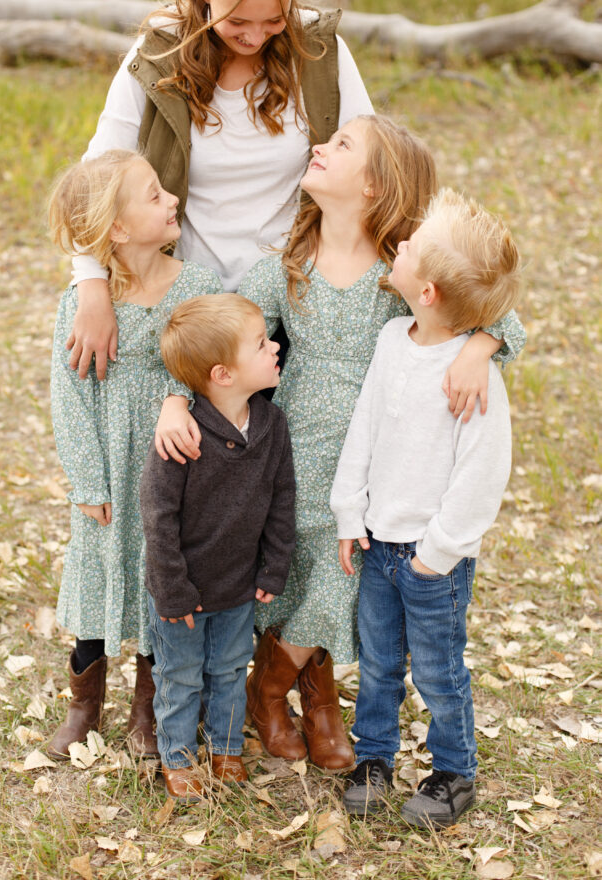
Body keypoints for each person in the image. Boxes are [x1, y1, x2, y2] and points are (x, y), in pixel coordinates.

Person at [159, 115, 526, 772]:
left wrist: (479, 348)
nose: (319, 148)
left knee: (341, 581)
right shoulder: (285, 270)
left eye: (342, 146)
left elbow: (502, 314)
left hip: (369, 465)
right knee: (290, 572)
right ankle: (311, 695)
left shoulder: (400, 271)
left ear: (376, 188)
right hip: (286, 456)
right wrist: (173, 397)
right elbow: (215, 336)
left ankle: (268, 690)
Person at [66, 0, 374, 381]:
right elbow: (96, 180)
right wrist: (90, 287)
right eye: (237, 21)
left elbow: (378, 163)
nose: (254, 36)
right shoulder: (158, 55)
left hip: (295, 301)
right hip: (186, 308)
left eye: (274, 19)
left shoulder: (320, 52)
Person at [331, 189, 521, 828]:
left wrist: (437, 555)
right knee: (380, 662)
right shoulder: (392, 339)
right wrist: (348, 514)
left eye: (410, 246)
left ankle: (452, 772)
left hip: (433, 560)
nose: (400, 244)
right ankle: (374, 758)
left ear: (430, 291)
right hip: (379, 542)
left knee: (438, 672)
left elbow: (481, 474)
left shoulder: (473, 372)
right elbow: (365, 428)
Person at [46, 150, 221, 761]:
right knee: (95, 582)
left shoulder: (196, 286)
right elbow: (68, 396)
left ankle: (148, 709)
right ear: (116, 229)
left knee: (161, 581)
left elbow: (207, 369)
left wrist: (178, 396)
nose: (172, 199)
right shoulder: (86, 303)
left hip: (173, 470)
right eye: (153, 195)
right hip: (108, 475)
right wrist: (89, 481)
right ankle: (83, 704)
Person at [140, 294, 296, 802]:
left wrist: (274, 569)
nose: (275, 346)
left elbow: (281, 499)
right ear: (223, 374)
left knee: (230, 670)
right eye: (260, 343)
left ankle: (226, 748)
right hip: (181, 592)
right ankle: (179, 757)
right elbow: (157, 519)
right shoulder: (182, 436)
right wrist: (173, 592)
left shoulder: (272, 426)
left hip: (238, 584)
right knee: (181, 676)